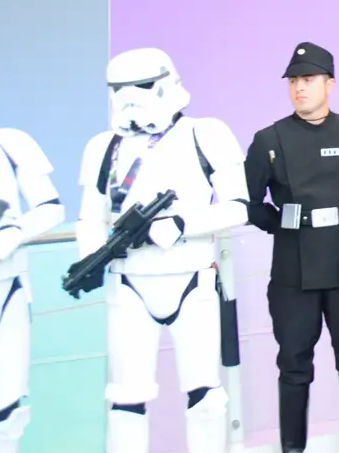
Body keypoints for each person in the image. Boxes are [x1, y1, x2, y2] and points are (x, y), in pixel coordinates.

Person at [72, 48, 248, 453]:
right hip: (129, 283)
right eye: (119, 89)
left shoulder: (205, 134)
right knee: (125, 400)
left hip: (191, 279)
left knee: (205, 397)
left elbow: (240, 206)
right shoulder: (104, 147)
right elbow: (90, 216)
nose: (130, 97)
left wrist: (182, 223)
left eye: (142, 86)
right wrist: (92, 257)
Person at [245, 42, 339, 453]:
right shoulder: (268, 139)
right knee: (293, 364)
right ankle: (293, 449)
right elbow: (251, 203)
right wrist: (285, 226)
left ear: (330, 84)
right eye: (293, 81)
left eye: (308, 79)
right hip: (293, 274)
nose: (299, 88)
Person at [0, 64, 64, 453]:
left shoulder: (7, 144)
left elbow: (50, 207)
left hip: (0, 290)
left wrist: (13, 233)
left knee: (3, 420)